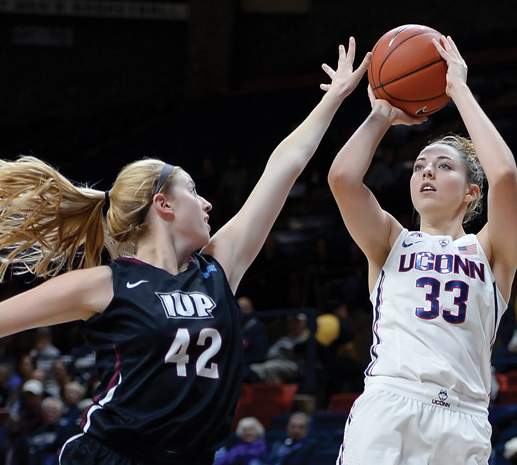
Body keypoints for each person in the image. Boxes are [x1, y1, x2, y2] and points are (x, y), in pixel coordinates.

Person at [0, 37, 372, 465]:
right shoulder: (106, 284)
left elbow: (283, 168)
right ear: (164, 204)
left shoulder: (218, 267)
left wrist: (337, 98)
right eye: (194, 192)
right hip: (111, 455)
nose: (208, 203)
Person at [327, 35, 517, 465]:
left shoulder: (491, 251)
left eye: (443, 165)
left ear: (472, 192)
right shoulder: (389, 240)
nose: (426, 172)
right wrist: (381, 115)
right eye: (419, 166)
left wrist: (459, 90)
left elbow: (505, 174)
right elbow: (343, 179)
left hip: (466, 417)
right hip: (392, 402)